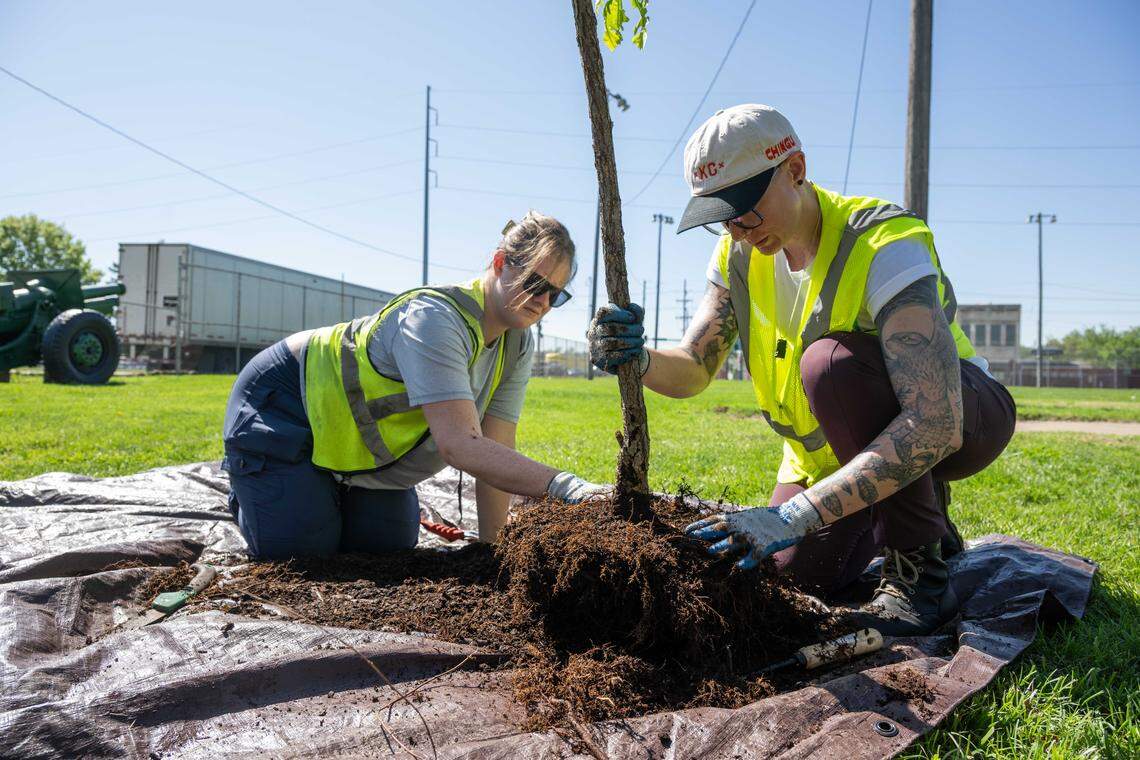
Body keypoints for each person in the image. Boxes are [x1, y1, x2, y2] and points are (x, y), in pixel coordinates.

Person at [587, 105, 1016, 635]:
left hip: (965, 416)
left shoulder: (884, 243)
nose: (737, 230)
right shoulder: (737, 256)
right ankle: (925, 518)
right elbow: (696, 367)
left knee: (830, 366)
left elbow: (934, 422)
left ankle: (920, 577)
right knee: (786, 577)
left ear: (795, 169)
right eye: (721, 217)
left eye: (746, 209)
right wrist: (639, 357)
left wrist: (793, 516)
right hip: (835, 455)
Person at [223, 211, 608, 560]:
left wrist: (495, 553)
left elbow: (496, 445)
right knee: (304, 555)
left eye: (556, 294)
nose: (542, 300)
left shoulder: (517, 342)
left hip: (346, 437)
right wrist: (566, 487)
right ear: (499, 262)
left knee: (387, 547)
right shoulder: (435, 319)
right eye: (534, 282)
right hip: (285, 404)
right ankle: (249, 486)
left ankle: (326, 489)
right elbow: (459, 444)